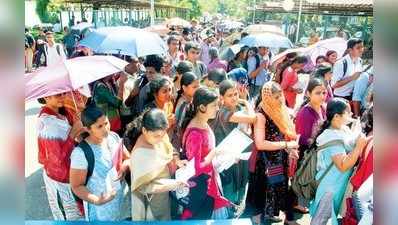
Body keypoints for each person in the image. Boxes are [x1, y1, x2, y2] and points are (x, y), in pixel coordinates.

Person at [246, 81, 300, 225]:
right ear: (267, 97)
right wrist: (287, 144)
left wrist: (289, 149)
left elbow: (284, 133)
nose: (280, 100)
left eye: (280, 95)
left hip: (278, 157)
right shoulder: (261, 115)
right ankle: (258, 219)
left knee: (280, 188)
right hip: (265, 161)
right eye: (276, 97)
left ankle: (279, 216)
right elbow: (260, 143)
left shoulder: (279, 110)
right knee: (265, 190)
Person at [309, 98, 368, 225]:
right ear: (336, 116)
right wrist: (358, 146)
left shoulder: (342, 130)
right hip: (329, 188)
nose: (351, 115)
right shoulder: (331, 137)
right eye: (348, 112)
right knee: (320, 220)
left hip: (336, 185)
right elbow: (343, 165)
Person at [124, 109, 186, 221]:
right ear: (144, 130)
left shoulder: (159, 134)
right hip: (153, 205)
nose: (161, 139)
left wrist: (177, 160)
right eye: (157, 136)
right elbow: (143, 187)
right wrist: (172, 184)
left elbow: (169, 148)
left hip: (165, 196)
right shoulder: (140, 154)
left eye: (164, 134)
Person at [70, 106, 129, 221]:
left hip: (122, 202)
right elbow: (76, 186)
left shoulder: (114, 137)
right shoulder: (81, 154)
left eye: (106, 123)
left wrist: (125, 165)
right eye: (99, 126)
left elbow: (128, 158)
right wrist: (96, 200)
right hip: (101, 211)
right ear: (87, 129)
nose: (106, 129)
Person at [181, 87, 231, 219]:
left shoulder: (203, 123)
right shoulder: (196, 134)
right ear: (202, 107)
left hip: (207, 185)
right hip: (201, 190)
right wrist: (214, 152)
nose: (218, 108)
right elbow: (196, 169)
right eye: (214, 105)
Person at [37, 93, 84, 220]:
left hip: (69, 171)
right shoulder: (48, 122)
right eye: (58, 95)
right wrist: (74, 130)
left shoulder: (61, 113)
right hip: (60, 178)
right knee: (68, 216)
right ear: (46, 96)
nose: (63, 97)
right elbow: (56, 158)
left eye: (64, 94)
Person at [210, 80, 256, 208]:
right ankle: (228, 211)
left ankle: (236, 206)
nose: (234, 97)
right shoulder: (224, 112)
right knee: (229, 186)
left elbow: (248, 128)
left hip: (240, 153)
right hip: (227, 157)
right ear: (221, 97)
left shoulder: (238, 109)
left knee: (241, 183)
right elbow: (253, 118)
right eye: (230, 95)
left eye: (235, 94)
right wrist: (245, 100)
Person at [171, 72, 200, 157]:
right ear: (184, 87)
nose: (197, 89)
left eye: (198, 86)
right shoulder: (183, 104)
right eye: (194, 87)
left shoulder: (191, 99)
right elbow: (177, 129)